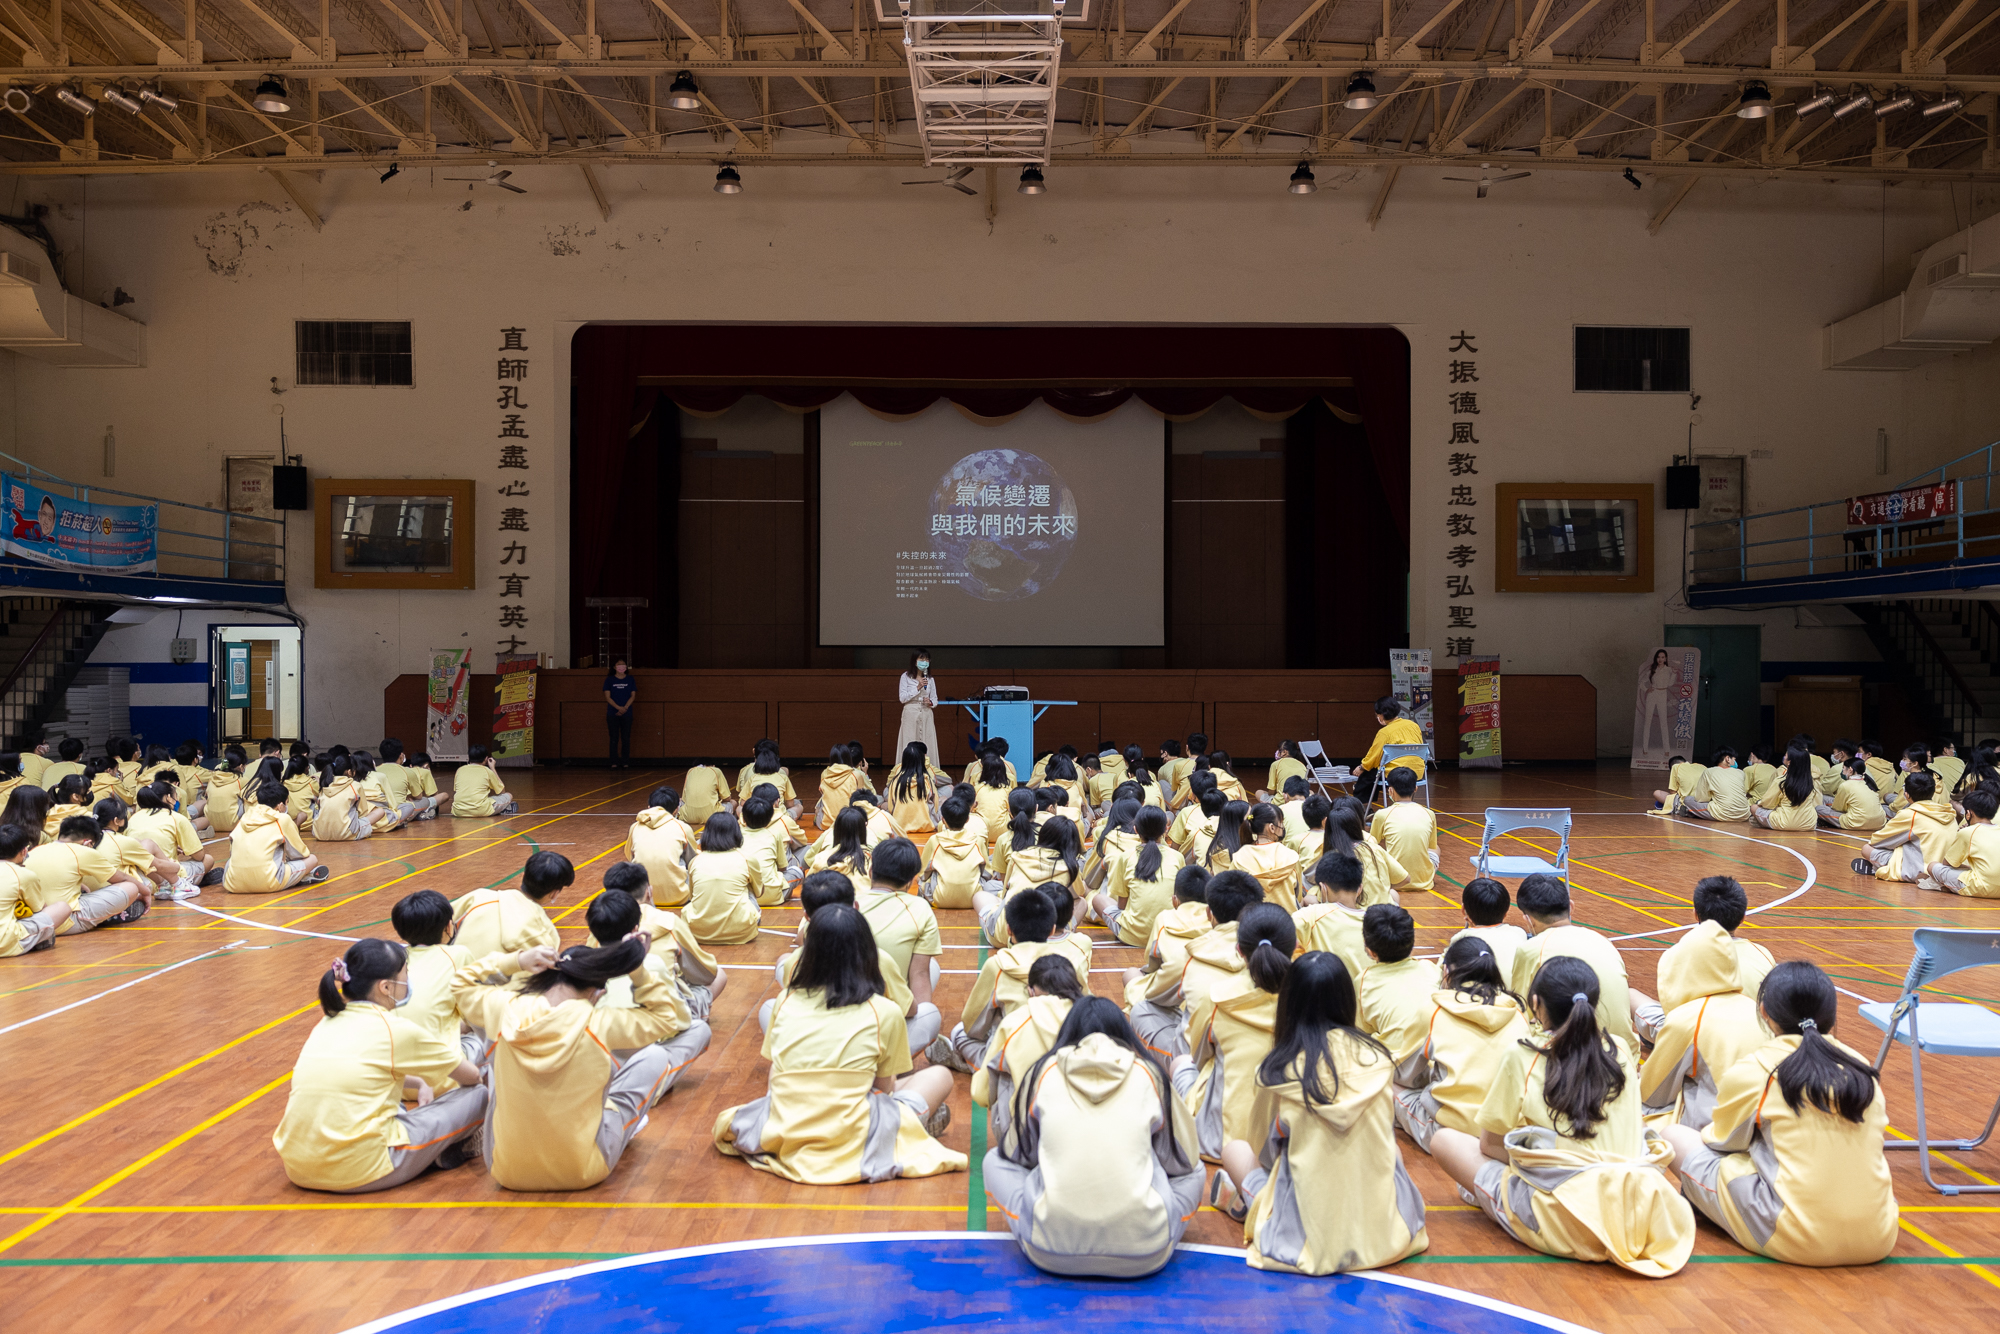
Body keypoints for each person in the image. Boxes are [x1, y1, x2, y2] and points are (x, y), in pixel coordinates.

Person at [1430, 957, 1694, 1278]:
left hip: (1568, 1220)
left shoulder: (1523, 1054)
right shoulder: (1621, 1049)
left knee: (1446, 1141)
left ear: (1537, 1004)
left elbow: (1489, 1146)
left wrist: (1532, 1156)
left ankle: (1499, 1200)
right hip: (1635, 1213)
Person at [1659, 961, 1897, 1267]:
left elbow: (1722, 1142)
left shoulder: (1756, 1068)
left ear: (1764, 1013)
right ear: (1832, 1015)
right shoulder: (1862, 1067)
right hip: (1879, 1236)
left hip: (1795, 1237)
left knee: (1674, 1136)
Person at [1209, 951, 1430, 1274]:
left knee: (1235, 1150)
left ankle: (1249, 1202)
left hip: (1306, 1239)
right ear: (1346, 1000)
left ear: (1288, 1003)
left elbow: (1264, 1153)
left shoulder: (1277, 1071)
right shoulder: (1377, 1058)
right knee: (1390, 1149)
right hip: (1389, 1234)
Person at [716, 903, 962, 1182]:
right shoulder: (884, 1011)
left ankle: (905, 1124)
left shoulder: (784, 1002)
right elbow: (884, 1090)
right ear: (869, 951)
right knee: (939, 1076)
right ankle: (907, 1128)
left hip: (789, 1125)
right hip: (855, 1134)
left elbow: (775, 1075)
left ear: (807, 953)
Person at [455, 934, 711, 1191]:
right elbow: (666, 1018)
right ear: (597, 993)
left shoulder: (507, 1009)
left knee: (497, 1054)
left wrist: (517, 960)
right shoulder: (599, 1023)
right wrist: (638, 971)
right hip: (583, 1172)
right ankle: (613, 1126)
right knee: (654, 1056)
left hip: (505, 1171)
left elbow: (459, 983)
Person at [985, 997, 1203, 1278]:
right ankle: (1149, 1224)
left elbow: (1016, 1155)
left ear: (1068, 1034)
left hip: (1048, 1252)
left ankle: (1046, 1221)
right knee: (1194, 1171)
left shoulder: (1043, 1071)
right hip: (1147, 1256)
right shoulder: (1150, 1075)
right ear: (1124, 1036)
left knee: (993, 1161)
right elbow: (1185, 1162)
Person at [272, 938, 487, 1192]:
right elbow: (471, 1077)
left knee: (389, 1100)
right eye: (405, 975)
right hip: (363, 1169)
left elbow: (358, 1072)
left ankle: (428, 1150)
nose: (408, 982)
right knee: (480, 1092)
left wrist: (418, 1082)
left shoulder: (326, 1022)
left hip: (298, 1167)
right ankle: (434, 1151)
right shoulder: (394, 1028)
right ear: (385, 987)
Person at [1176, 903, 1293, 1159]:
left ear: (1239, 950)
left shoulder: (1218, 997)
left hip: (1217, 1143)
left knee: (1182, 1063)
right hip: (1287, 1145)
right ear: (1294, 948)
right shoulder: (1308, 997)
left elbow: (1198, 1058)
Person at [1393, 936, 1531, 1153]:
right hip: (1503, 1135)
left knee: (1386, 1082)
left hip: (1449, 1131)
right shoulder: (1517, 1013)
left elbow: (1404, 1075)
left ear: (1446, 971)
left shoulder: (1434, 1009)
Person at [1633, 909, 1768, 1130]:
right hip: (1766, 1124)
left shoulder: (1687, 1018)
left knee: (1636, 1108)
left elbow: (1652, 1094)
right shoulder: (1756, 1010)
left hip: (1723, 1134)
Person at [933, 886, 1090, 1074]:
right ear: (1052, 930)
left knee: (959, 1033)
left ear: (1008, 930)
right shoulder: (1068, 962)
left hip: (1015, 1058)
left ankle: (970, 1063)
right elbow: (1085, 1006)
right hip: (1063, 1054)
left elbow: (972, 1026)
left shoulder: (998, 965)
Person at [1128, 869, 1264, 1062]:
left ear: (1209, 913)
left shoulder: (1190, 953)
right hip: (1259, 1061)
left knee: (1141, 1008)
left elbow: (1154, 995)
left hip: (1197, 1067)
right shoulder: (1274, 953)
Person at [972, 953, 1085, 1154]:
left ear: (1031, 992)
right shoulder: (1097, 1016)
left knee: (1001, 1068)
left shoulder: (1015, 1022)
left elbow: (981, 1094)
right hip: (1087, 1135)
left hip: (1030, 1140)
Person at [1510, 873, 1636, 1046]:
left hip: (1571, 1055)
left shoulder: (1531, 949)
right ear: (1571, 907)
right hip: (1623, 1053)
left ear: (1528, 920)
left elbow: (1521, 1011)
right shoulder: (1601, 940)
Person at [391, 889, 479, 1080]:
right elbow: (479, 1015)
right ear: (448, 926)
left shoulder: (392, 960)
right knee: (486, 1033)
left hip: (397, 1083)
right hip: (442, 1079)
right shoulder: (458, 955)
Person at [1653, 876, 1774, 1011]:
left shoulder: (1673, 956)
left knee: (1637, 999)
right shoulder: (1762, 954)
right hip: (1754, 1028)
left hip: (1691, 1028)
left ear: (1696, 915)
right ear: (1743, 918)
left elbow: (1671, 1011)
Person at [1356, 904, 1440, 1087]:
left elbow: (1360, 1031)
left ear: (1370, 950)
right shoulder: (1430, 969)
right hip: (1436, 1066)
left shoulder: (1364, 980)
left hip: (1398, 1072)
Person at [25, 815, 150, 930]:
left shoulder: (36, 850)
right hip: (66, 922)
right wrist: (146, 892)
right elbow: (122, 878)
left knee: (82, 887)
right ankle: (105, 916)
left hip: (37, 920)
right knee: (130, 887)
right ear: (88, 842)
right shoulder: (81, 851)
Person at [1090, 805, 1183, 948]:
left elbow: (1122, 906)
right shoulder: (1177, 857)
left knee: (1098, 899)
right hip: (1166, 936)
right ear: (1166, 829)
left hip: (1132, 936)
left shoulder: (1127, 857)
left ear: (1135, 830)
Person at [449, 851, 571, 958]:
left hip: (452, 978)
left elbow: (442, 923)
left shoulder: (478, 898)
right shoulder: (547, 931)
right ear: (554, 894)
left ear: (522, 876)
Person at [685, 810, 776, 945]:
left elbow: (692, 897)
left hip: (698, 934)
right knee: (747, 884)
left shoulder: (695, 861)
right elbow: (759, 892)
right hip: (741, 932)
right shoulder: (746, 859)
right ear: (736, 833)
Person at [225, 779, 326, 892]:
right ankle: (301, 877)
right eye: (287, 802)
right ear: (280, 805)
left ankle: (296, 877)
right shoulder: (282, 819)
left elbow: (231, 850)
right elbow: (300, 854)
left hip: (232, 883)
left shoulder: (245, 817)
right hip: (267, 882)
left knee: (231, 862)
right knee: (312, 859)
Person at [1854, 770, 1956, 881]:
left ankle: (1878, 868)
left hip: (1920, 871)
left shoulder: (1911, 815)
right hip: (1943, 869)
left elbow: (1877, 841)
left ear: (1906, 794)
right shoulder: (1947, 812)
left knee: (1867, 849)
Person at [0, 823, 67, 954]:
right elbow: (40, 909)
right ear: (24, 851)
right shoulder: (22, 874)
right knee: (62, 907)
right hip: (5, 943)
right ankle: (37, 940)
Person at [1369, 769, 1437, 893]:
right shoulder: (1429, 813)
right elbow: (1431, 847)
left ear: (1390, 790)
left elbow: (1371, 844)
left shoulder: (1382, 814)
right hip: (1425, 883)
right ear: (1415, 789)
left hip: (1394, 881)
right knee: (1436, 849)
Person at [1450, 876, 1528, 983]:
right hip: (1517, 998)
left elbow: (1443, 975)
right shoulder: (1519, 933)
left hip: (1480, 996)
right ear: (1506, 913)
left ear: (1463, 910)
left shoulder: (1462, 938)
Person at [627, 785, 695, 906]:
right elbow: (693, 861)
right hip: (679, 897)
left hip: (642, 897)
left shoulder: (635, 827)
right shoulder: (682, 827)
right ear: (676, 810)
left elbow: (630, 857)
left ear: (649, 807)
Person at [1926, 785, 2000, 895]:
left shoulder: (1968, 832)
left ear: (1969, 813)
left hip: (1982, 888)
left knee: (1933, 866)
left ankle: (1948, 886)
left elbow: (1948, 864)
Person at [1231, 802, 1303, 911]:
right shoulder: (1291, 856)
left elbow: (1232, 893)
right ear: (1272, 828)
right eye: (1281, 823)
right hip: (1287, 922)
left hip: (1251, 922)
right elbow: (1298, 896)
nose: (1283, 826)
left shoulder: (1239, 857)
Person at [920, 795, 989, 908]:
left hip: (938, 900)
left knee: (924, 879)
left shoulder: (934, 840)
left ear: (943, 820)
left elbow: (922, 873)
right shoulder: (978, 840)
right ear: (967, 819)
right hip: (975, 900)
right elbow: (987, 873)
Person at [1356, 696, 1427, 798]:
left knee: (1367, 776)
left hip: (1394, 775)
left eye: (1377, 715)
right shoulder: (1413, 725)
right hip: (1417, 774)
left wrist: (1362, 767)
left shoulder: (1384, 732)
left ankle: (1365, 809)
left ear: (1381, 715)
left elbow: (1374, 757)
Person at [1751, 744, 1821, 831]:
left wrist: (1760, 802)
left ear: (1789, 762)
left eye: (1786, 755)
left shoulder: (1781, 781)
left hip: (1784, 822)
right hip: (1809, 823)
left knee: (1754, 807)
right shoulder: (1812, 781)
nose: (1784, 757)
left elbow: (1767, 804)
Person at [884, 741, 941, 836]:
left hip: (900, 827)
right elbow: (935, 806)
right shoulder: (927, 779)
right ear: (922, 760)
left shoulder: (896, 781)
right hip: (926, 827)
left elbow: (890, 807)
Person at [1817, 753, 1885, 831]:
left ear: (1850, 770)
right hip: (1879, 823)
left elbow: (1838, 808)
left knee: (1819, 808)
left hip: (1856, 823)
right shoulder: (1869, 784)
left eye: (1843, 769)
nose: (1842, 772)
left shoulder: (1846, 785)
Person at [895, 649, 940, 764]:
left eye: (926, 659)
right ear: (915, 661)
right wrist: (918, 687)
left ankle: (928, 771)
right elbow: (902, 698)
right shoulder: (905, 677)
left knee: (927, 741)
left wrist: (929, 702)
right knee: (909, 740)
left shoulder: (930, 679)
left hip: (926, 713)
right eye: (921, 659)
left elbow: (935, 700)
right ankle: (907, 770)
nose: (924, 662)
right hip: (911, 713)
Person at [451, 746, 517, 817]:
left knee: (487, 799)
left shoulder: (460, 770)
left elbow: (457, 790)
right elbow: (502, 791)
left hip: (458, 810)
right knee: (508, 795)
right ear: (486, 759)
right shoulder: (487, 771)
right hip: (480, 810)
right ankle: (503, 809)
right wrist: (493, 768)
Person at [1636, 649, 1676, 756]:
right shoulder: (1652, 670)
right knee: (1648, 721)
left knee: (1663, 722)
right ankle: (1645, 748)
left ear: (1666, 658)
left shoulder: (1669, 670)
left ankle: (1666, 749)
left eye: (1662, 657)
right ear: (1656, 658)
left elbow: (1670, 684)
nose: (1660, 659)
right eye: (1658, 657)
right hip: (1652, 694)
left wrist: (1674, 674)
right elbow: (1641, 682)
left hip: (1663, 694)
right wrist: (1646, 689)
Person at [603, 658, 637, 770]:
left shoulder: (630, 679)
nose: (621, 666)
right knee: (614, 738)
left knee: (626, 738)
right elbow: (608, 697)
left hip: (627, 713)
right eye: (619, 664)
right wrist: (618, 708)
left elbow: (633, 695)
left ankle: (625, 762)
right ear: (614, 667)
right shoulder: (609, 680)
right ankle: (614, 762)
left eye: (623, 664)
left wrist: (625, 708)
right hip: (613, 713)